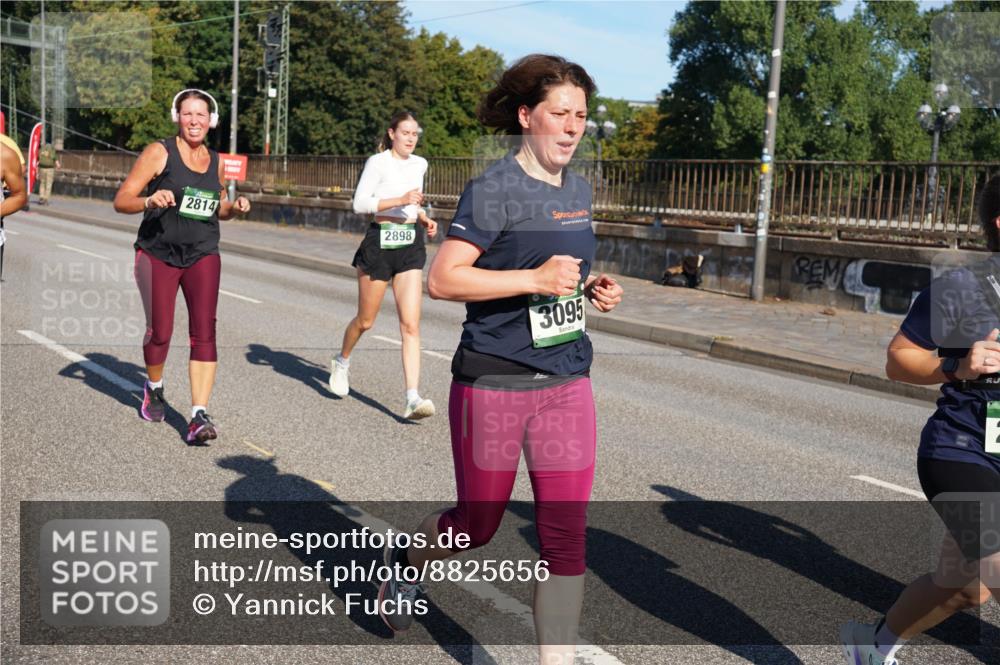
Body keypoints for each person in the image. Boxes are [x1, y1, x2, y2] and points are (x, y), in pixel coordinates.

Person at [376, 55, 624, 665]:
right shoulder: (494, 189)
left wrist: (589, 287)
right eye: (560, 114)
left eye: (581, 116)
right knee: (477, 525)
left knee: (564, 540)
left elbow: (559, 271)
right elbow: (443, 279)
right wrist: (535, 279)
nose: (572, 127)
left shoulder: (579, 190)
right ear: (526, 116)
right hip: (495, 380)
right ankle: (407, 560)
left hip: (566, 379)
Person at [840, 174, 1000, 665]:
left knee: (964, 588)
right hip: (963, 452)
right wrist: (958, 365)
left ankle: (872, 647)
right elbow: (899, 359)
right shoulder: (962, 290)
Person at [113, 89, 251, 443]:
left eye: (201, 115)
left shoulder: (216, 160)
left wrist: (233, 208)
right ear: (177, 117)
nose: (194, 121)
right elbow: (122, 200)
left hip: (203, 252)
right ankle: (154, 386)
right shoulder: (159, 152)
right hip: (157, 253)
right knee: (160, 331)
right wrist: (149, 200)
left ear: (211, 120)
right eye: (188, 114)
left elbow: (217, 207)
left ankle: (198, 415)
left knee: (204, 331)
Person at [328, 111, 438, 420]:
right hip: (380, 243)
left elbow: (412, 205)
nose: (411, 138)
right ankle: (342, 361)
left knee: (411, 325)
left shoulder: (420, 164)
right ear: (392, 133)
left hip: (410, 244)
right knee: (366, 321)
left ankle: (412, 397)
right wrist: (399, 199)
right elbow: (360, 204)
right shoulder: (378, 162)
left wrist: (423, 217)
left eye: (415, 134)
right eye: (405, 133)